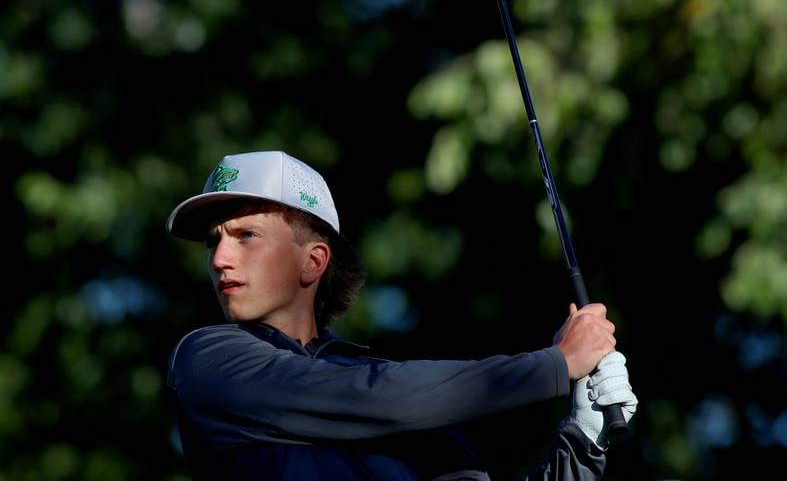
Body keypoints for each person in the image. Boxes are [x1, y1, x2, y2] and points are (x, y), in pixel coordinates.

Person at [165, 150, 637, 480]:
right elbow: (377, 399)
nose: (220, 258)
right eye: (214, 241)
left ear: (313, 261)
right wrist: (556, 365)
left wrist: (583, 441)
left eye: (245, 235)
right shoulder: (209, 359)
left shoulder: (378, 379)